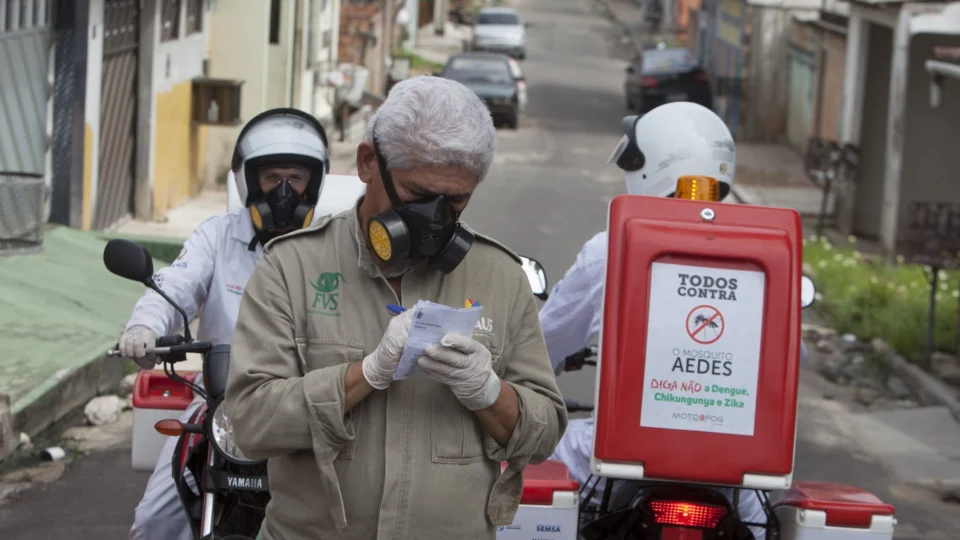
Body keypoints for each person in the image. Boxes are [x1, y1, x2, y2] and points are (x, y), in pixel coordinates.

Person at [224, 76, 568, 540]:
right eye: (417, 195)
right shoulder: (292, 266)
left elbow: (544, 433)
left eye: (456, 200)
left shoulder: (500, 277)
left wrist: (489, 392)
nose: (435, 220)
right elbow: (250, 424)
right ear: (368, 163)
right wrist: (363, 375)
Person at [541, 102, 807, 540]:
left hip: (611, 476)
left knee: (519, 460)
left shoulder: (610, 250)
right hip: (736, 490)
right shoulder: (772, 253)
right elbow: (788, 368)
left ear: (650, 167)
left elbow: (542, 344)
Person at [123, 107, 331, 540]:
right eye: (273, 178)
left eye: (296, 178)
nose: (285, 192)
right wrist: (144, 327)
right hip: (221, 408)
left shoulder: (331, 246)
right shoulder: (216, 236)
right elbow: (172, 286)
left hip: (304, 411)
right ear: (248, 180)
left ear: (315, 180)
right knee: (154, 521)